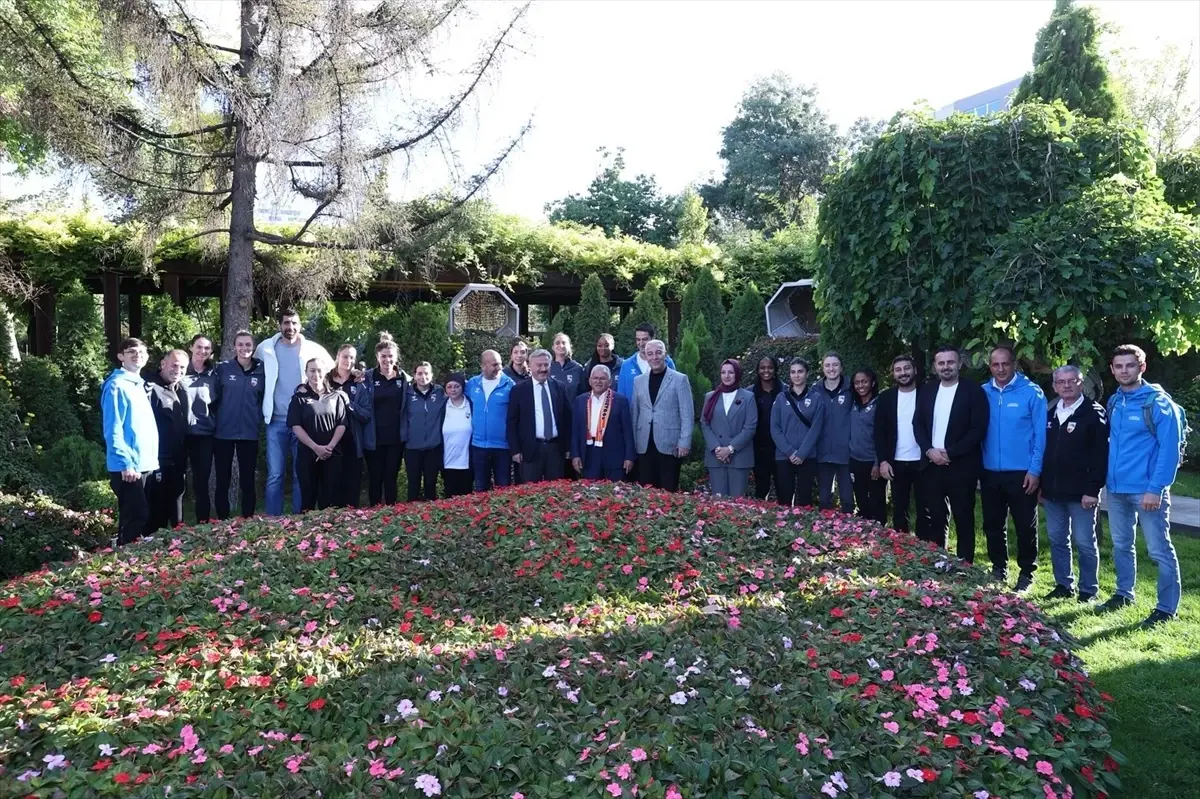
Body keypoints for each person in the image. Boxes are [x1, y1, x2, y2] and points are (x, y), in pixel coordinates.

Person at [1098, 344, 1185, 628]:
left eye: (1130, 366)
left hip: (1146, 491)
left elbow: (1168, 450)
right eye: (1119, 366)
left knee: (1158, 549)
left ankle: (1165, 608)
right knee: (1122, 544)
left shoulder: (1158, 403)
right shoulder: (1115, 401)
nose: (1124, 371)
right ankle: (1124, 593)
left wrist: (1156, 488)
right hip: (1117, 489)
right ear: (1112, 370)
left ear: (1142, 367)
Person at [980, 345, 1048, 591]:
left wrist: (1035, 470)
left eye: (1005, 364)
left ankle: (1027, 573)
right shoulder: (982, 392)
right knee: (992, 524)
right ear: (990, 366)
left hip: (1022, 473)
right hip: (989, 472)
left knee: (1024, 526)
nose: (1000, 369)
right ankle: (998, 568)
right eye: (995, 365)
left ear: (1014, 365)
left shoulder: (1032, 393)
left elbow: (1041, 437)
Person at [914, 345, 989, 562]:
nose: (946, 367)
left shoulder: (974, 391)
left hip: (961, 466)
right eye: (941, 363)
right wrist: (929, 451)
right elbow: (917, 424)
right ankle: (939, 559)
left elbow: (978, 429)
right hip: (931, 465)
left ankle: (965, 564)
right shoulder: (927, 390)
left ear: (959, 364)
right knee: (936, 517)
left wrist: (951, 453)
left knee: (963, 517)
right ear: (935, 366)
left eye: (950, 362)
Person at [1040, 365, 1108, 603]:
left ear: (1082, 383)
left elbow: (1101, 455)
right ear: (1054, 386)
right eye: (1061, 382)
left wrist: (1093, 490)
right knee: (1058, 540)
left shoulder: (1094, 413)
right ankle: (1063, 585)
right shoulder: (1049, 413)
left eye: (1072, 381)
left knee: (1085, 542)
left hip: (1082, 495)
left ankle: (1088, 589)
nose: (1066, 386)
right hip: (1052, 492)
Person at [256, 308, 331, 515]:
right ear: (280, 325)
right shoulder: (266, 348)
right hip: (276, 421)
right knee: (275, 475)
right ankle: (272, 520)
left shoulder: (313, 349)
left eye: (294, 323)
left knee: (301, 474)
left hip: (303, 423)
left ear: (300, 325)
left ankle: (299, 519)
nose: (290, 327)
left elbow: (332, 370)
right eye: (286, 323)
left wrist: (355, 373)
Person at [101, 338, 159, 545]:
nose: (137, 355)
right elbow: (113, 429)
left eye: (142, 351)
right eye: (131, 351)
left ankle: (132, 566)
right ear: (120, 356)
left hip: (145, 463)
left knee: (139, 519)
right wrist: (126, 463)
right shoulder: (116, 386)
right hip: (129, 467)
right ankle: (123, 565)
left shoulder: (138, 384)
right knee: (137, 517)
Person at [212, 331, 264, 519]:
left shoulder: (262, 370)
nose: (244, 349)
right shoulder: (222, 369)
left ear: (254, 347)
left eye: (248, 345)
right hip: (223, 433)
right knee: (223, 481)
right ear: (234, 347)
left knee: (247, 481)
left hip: (249, 433)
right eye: (240, 345)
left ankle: (247, 520)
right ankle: (223, 521)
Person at [631, 338, 693, 491]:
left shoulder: (680, 379)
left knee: (668, 491)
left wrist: (684, 442)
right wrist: (633, 443)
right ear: (646, 356)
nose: (654, 357)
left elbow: (687, 414)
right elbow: (635, 413)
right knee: (646, 491)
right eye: (650, 354)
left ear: (665, 354)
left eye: (658, 353)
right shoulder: (638, 381)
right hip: (644, 445)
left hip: (670, 445)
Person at [287, 357, 348, 511]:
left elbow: (341, 424)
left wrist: (329, 447)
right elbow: (296, 427)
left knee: (331, 500)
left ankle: (329, 533)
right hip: (308, 455)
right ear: (306, 373)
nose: (316, 374)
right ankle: (306, 534)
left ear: (325, 372)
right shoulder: (298, 398)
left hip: (332, 454)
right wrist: (315, 447)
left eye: (319, 370)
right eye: (312, 370)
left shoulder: (336, 396)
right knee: (308, 499)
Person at [507, 348, 573, 483]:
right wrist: (515, 450)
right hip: (530, 449)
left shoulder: (559, 387)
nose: (543, 369)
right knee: (529, 493)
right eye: (539, 365)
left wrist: (568, 447)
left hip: (555, 448)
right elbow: (512, 422)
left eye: (546, 365)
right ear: (530, 366)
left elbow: (568, 419)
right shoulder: (519, 390)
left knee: (556, 493)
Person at [875, 355, 922, 533]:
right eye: (898, 370)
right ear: (893, 374)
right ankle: (902, 550)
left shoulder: (926, 394)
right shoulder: (886, 398)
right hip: (896, 461)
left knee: (925, 509)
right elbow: (879, 432)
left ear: (914, 370)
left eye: (906, 368)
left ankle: (926, 549)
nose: (903, 373)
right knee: (899, 510)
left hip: (923, 461)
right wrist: (883, 461)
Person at [145, 350, 190, 534]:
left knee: (177, 511)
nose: (178, 370)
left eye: (182, 367)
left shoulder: (180, 388)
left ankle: (175, 550)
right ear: (163, 363)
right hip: (158, 461)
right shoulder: (149, 388)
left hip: (178, 460)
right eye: (174, 365)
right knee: (157, 516)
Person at [770, 358, 824, 507]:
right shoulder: (781, 398)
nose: (796, 375)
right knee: (784, 500)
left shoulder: (816, 398)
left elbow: (816, 428)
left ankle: (805, 529)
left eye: (800, 371)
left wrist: (801, 453)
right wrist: (790, 452)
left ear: (807, 373)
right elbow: (775, 428)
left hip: (807, 456)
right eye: (793, 372)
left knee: (805, 500)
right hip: (784, 456)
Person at [700, 359, 758, 498]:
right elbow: (704, 424)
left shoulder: (748, 397)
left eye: (731, 372)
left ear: (737, 374)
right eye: (723, 372)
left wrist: (730, 449)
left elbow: (750, 427)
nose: (727, 376)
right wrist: (717, 449)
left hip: (739, 457)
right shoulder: (710, 397)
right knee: (719, 505)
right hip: (716, 457)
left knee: (738, 505)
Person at [362, 333, 407, 506]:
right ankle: (373, 514)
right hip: (374, 437)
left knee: (391, 477)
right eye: (383, 356)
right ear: (377, 357)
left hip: (396, 438)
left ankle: (391, 513)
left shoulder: (404, 379)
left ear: (396, 358)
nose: (387, 360)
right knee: (375, 477)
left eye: (390, 356)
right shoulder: (368, 377)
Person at [571, 364, 635, 481]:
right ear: (590, 381)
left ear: (610, 382)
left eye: (602, 378)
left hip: (614, 454)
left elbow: (628, 431)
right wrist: (575, 455)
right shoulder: (580, 400)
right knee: (590, 493)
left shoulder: (620, 401)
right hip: (589, 453)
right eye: (595, 378)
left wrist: (629, 456)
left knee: (614, 493)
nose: (598, 381)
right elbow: (575, 431)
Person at [466, 349, 516, 491]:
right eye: (494, 365)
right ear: (483, 366)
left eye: (500, 364)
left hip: (502, 447)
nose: (499, 368)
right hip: (478, 445)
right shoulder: (472, 384)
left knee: (503, 487)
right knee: (481, 487)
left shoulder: (509, 385)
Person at [327, 345, 371, 507]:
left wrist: (348, 403)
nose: (348, 360)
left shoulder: (359, 383)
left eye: (352, 357)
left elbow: (366, 414)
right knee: (331, 488)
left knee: (352, 489)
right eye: (345, 356)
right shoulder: (326, 380)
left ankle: (352, 525)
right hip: (329, 441)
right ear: (337, 356)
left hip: (352, 441)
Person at [182, 334, 217, 523]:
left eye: (207, 348)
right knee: (177, 482)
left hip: (204, 434)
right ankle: (175, 523)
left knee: (201, 481)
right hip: (179, 435)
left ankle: (202, 522)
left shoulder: (214, 375)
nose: (202, 351)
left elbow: (218, 403)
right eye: (199, 347)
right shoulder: (180, 371)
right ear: (191, 347)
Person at [401, 362, 447, 501]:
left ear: (432, 375)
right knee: (413, 485)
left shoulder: (440, 392)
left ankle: (431, 520)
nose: (423, 376)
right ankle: (409, 518)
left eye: (426, 373)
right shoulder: (406, 393)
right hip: (412, 447)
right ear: (414, 376)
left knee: (430, 485)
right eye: (419, 373)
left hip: (433, 447)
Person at [815, 352, 854, 512]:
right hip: (822, 452)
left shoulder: (852, 390)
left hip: (846, 452)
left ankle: (851, 534)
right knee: (824, 499)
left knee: (847, 499)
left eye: (835, 365)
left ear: (841, 367)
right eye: (828, 365)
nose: (831, 369)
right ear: (823, 368)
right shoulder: (814, 391)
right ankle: (825, 534)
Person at [849, 368, 886, 523]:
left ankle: (881, 536)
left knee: (877, 502)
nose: (860, 385)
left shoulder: (879, 404)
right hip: (856, 460)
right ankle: (865, 539)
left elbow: (883, 436)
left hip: (873, 462)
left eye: (864, 381)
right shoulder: (853, 404)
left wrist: (878, 463)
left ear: (872, 382)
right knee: (862, 502)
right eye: (857, 382)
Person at [617, 323, 675, 402]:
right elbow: (621, 396)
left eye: (645, 339)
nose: (641, 343)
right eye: (638, 340)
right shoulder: (627, 365)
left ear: (653, 338)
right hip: (634, 413)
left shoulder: (667, 362)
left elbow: (675, 390)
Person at [751, 357, 781, 500]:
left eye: (770, 367)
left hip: (781, 450)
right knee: (761, 491)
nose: (766, 371)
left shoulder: (785, 391)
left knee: (784, 491)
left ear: (775, 369)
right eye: (762, 367)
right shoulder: (750, 393)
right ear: (757, 370)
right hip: (759, 450)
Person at [441, 372, 474, 498]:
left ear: (462, 387)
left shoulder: (470, 405)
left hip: (467, 463)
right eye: (449, 387)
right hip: (448, 462)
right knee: (450, 501)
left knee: (466, 500)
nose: (453, 390)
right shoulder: (443, 407)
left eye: (456, 386)